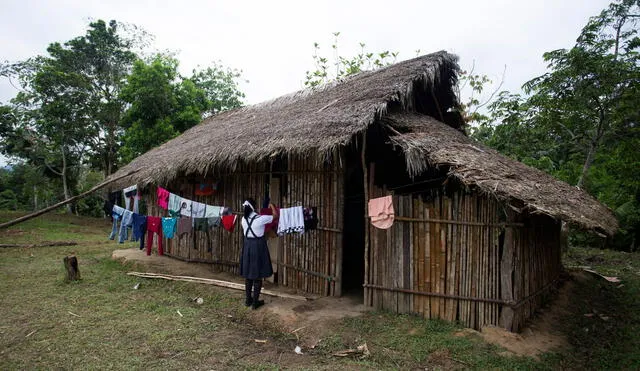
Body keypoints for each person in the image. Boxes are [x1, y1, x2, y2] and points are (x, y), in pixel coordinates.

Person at [240, 198, 278, 309]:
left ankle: (248, 300)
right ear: (254, 207)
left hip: (247, 245)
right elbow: (275, 216)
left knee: (248, 275)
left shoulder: (243, 219)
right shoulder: (260, 219)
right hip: (258, 246)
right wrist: (272, 206)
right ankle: (255, 302)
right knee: (257, 275)